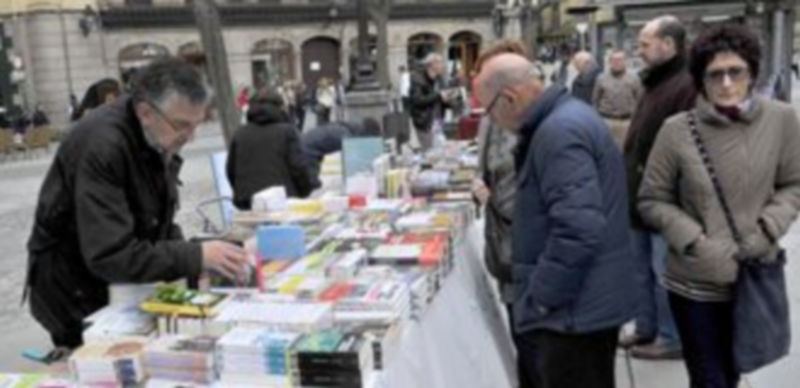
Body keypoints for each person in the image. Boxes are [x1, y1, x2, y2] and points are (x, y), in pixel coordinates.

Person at [24, 58, 248, 360]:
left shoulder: (155, 135)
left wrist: (197, 259)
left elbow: (159, 218)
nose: (190, 137)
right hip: (75, 293)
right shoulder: (102, 145)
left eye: (197, 125)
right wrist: (195, 255)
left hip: (116, 287)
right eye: (182, 125)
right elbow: (110, 254)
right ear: (145, 112)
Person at [639, 24, 800, 388]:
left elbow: (793, 183)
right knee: (709, 378)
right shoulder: (677, 130)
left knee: (733, 370)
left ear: (752, 73)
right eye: (715, 75)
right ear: (700, 80)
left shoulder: (781, 120)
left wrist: (768, 230)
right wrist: (696, 241)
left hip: (752, 274)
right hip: (695, 282)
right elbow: (652, 199)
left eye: (735, 72)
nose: (726, 83)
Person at [474, 53, 634, 388]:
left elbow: (578, 228)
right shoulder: (562, 120)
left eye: (488, 111)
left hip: (574, 314)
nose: (493, 122)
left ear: (509, 98)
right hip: (581, 306)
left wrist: (542, 297)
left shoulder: (558, 132)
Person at [622, 15, 695, 359]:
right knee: (639, 270)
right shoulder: (655, 82)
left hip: (665, 201)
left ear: (669, 45)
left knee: (663, 271)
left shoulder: (686, 85)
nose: (639, 51)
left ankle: (671, 337)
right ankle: (646, 327)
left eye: (645, 44)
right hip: (639, 195)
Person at [470, 38, 533, 388]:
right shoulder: (495, 115)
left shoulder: (516, 119)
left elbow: (512, 187)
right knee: (522, 338)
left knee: (529, 342)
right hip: (507, 248)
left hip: (520, 251)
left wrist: (490, 197)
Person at [226, 90, 315, 210]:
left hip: (249, 202)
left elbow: (231, 170)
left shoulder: (240, 133)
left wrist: (242, 192)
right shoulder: (287, 132)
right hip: (283, 202)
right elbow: (298, 167)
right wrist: (305, 192)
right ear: (280, 108)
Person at [301, 118, 381, 189]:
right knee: (312, 185)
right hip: (309, 151)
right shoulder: (345, 135)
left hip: (309, 146)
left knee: (312, 184)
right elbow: (353, 159)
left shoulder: (346, 129)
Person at [592, 50, 643, 148]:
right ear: (610, 62)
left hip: (627, 122)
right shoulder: (601, 78)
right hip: (607, 121)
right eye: (614, 60)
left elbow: (640, 100)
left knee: (626, 150)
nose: (617, 62)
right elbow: (595, 100)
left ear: (625, 61)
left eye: (620, 60)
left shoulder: (634, 79)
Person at [409, 53, 450, 151]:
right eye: (440, 63)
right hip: (425, 122)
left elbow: (443, 98)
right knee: (429, 152)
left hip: (438, 121)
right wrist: (438, 95)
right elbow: (417, 100)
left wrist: (448, 99)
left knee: (440, 150)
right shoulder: (417, 78)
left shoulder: (440, 79)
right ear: (433, 65)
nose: (443, 66)